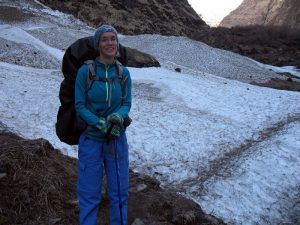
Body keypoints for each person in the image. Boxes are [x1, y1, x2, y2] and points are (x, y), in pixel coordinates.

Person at [75, 24, 132, 225]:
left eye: (113, 39)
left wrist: (117, 117)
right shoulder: (86, 72)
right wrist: (100, 124)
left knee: (119, 193)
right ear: (98, 44)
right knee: (89, 194)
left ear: (117, 43)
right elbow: (80, 106)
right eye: (104, 39)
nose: (109, 43)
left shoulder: (123, 73)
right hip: (91, 139)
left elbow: (127, 103)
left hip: (116, 139)